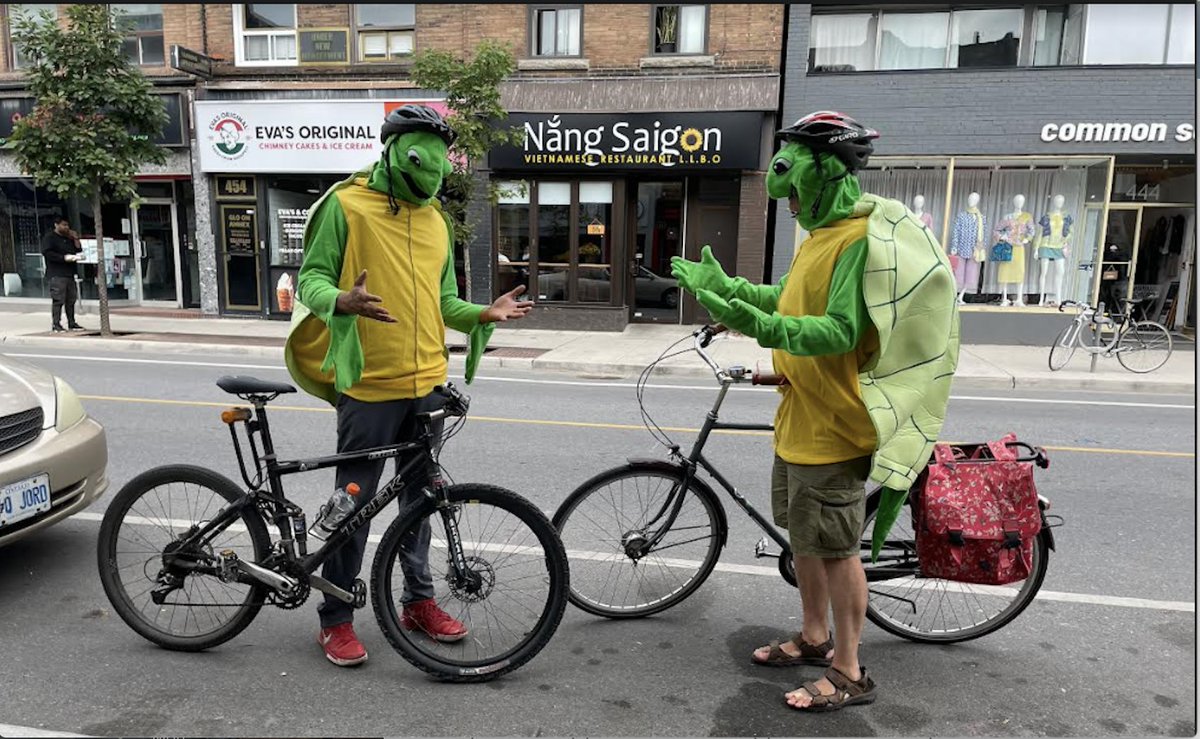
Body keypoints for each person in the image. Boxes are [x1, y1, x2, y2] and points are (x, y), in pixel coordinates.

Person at [671, 111, 958, 712]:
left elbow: (839, 329)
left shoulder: (858, 242)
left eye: (796, 189)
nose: (791, 203)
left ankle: (850, 670)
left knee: (836, 548)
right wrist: (732, 288)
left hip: (836, 425)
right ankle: (812, 635)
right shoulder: (818, 236)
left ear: (827, 174)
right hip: (798, 417)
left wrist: (757, 324)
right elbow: (789, 297)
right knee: (805, 539)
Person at [284, 105, 534, 667]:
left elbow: (444, 302)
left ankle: (418, 602)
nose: (434, 172)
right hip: (370, 387)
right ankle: (336, 617)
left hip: (427, 386)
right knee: (351, 507)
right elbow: (313, 279)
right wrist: (339, 301)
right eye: (425, 157)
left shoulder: (436, 222)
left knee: (421, 503)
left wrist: (482, 315)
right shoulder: (346, 206)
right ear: (396, 151)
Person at [41, 216, 84, 332]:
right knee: (58, 299)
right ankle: (56, 324)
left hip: (69, 273)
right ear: (56, 225)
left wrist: (76, 239)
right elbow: (47, 253)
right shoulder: (50, 238)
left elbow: (78, 250)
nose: (66, 227)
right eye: (63, 225)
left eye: (67, 225)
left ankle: (72, 322)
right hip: (57, 273)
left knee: (71, 300)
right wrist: (63, 258)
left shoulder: (68, 238)